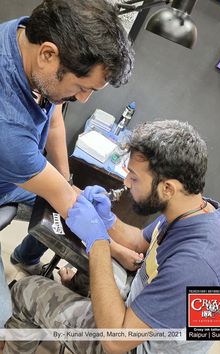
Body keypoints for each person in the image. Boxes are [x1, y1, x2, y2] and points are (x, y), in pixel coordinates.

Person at [3, 120, 220, 354]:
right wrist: (107, 220)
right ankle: (77, 289)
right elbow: (138, 242)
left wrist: (99, 241)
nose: (126, 183)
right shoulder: (193, 210)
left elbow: (115, 342)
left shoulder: (197, 264)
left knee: (26, 290)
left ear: (167, 188)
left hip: (135, 345)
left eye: (134, 177)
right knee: (101, 262)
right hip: (143, 304)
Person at [0, 0, 134, 329]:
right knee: (3, 322)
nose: (84, 98)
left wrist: (65, 179)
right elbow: (69, 202)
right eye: (82, 87)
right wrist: (113, 247)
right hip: (10, 170)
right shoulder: (9, 128)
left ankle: (26, 256)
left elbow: (55, 120)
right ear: (49, 54)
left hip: (10, 177)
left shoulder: (26, 37)